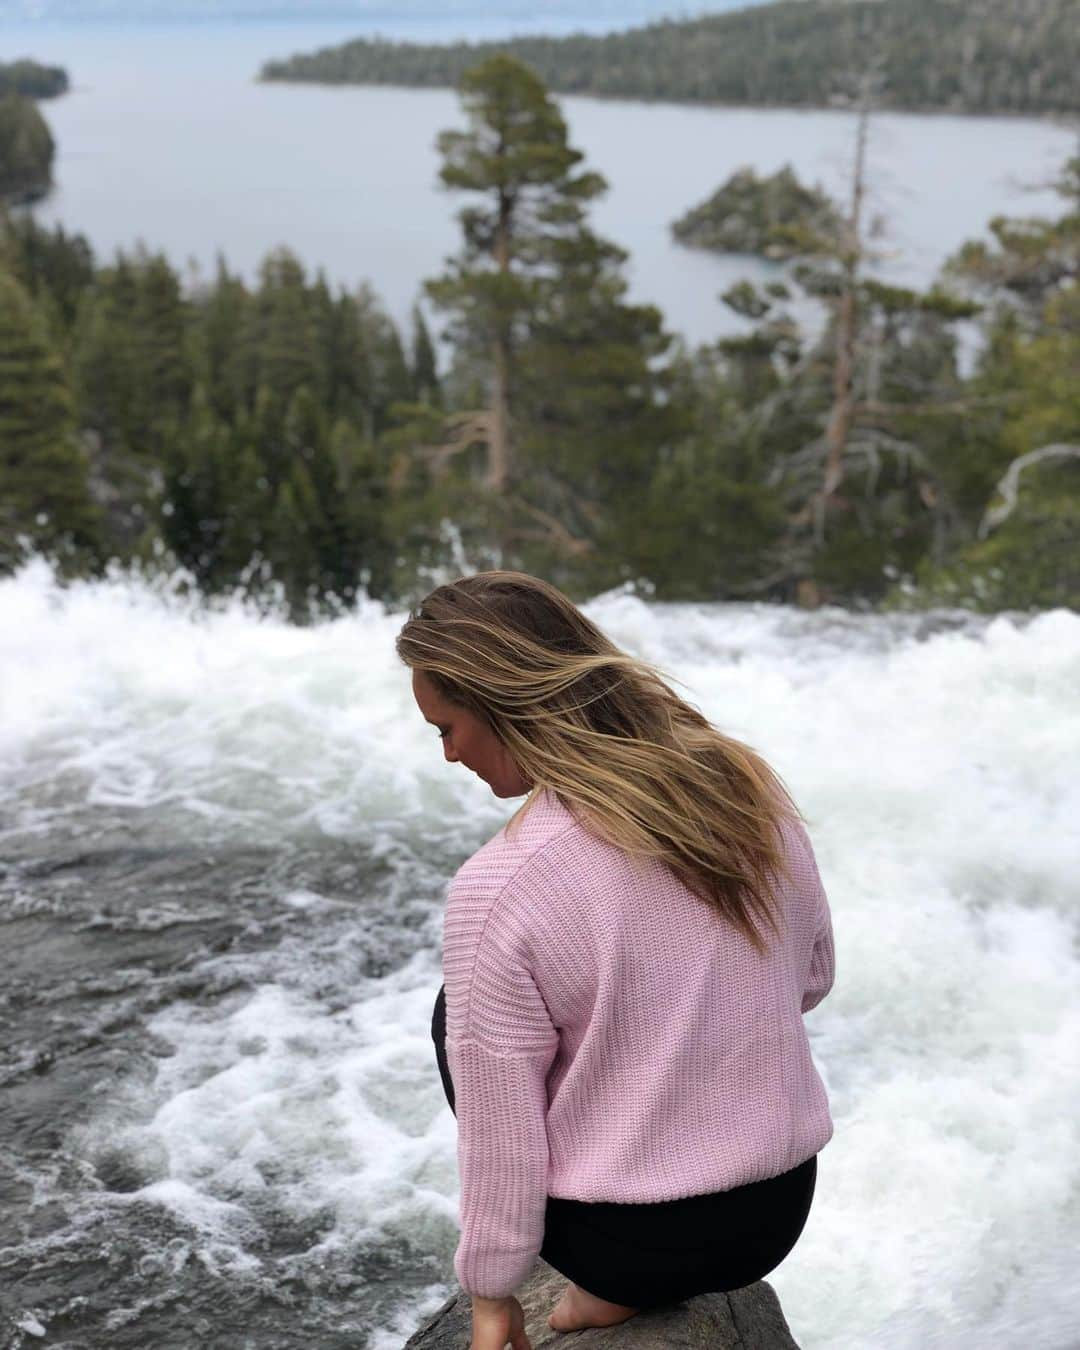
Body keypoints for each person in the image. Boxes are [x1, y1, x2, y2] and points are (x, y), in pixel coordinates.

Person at [397, 571, 835, 1350]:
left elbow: (501, 1130)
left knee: (453, 1014)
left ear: (506, 708)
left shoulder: (501, 887)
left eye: (446, 727)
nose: (447, 754)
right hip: (779, 1209)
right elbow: (811, 977)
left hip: (626, 1244)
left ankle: (611, 1293)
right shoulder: (745, 787)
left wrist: (493, 1296)